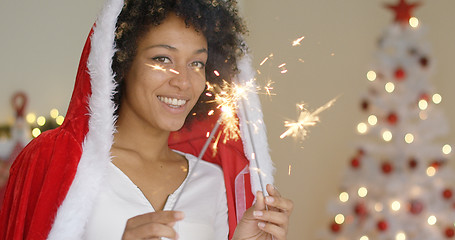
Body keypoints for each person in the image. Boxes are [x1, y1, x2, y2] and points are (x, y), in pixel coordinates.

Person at [0, 0, 293, 239]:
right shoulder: (55, 161)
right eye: (162, 59)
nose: (183, 82)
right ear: (121, 62)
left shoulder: (212, 180)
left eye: (196, 63)